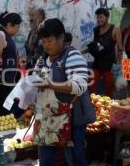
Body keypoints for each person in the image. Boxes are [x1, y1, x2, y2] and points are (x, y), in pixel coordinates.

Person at [33, 18, 95, 166]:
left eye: (50, 41)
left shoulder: (73, 56)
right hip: (46, 118)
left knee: (74, 158)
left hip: (72, 118)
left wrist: (50, 84)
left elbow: (80, 86)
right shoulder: (42, 60)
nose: (46, 45)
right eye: (43, 41)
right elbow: (37, 82)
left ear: (61, 38)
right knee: (45, 159)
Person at [0, 11, 22, 117]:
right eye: (17, 27)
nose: (18, 30)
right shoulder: (0, 35)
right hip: (1, 85)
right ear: (10, 25)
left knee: (3, 116)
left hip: (6, 84)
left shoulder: (4, 35)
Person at [84, 8, 123, 98]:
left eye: (101, 17)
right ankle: (93, 105)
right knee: (91, 84)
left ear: (107, 17)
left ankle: (107, 107)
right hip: (97, 63)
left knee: (109, 89)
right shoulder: (96, 30)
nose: (99, 20)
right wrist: (80, 52)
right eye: (97, 17)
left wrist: (119, 65)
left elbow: (120, 49)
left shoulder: (115, 29)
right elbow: (95, 45)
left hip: (110, 65)